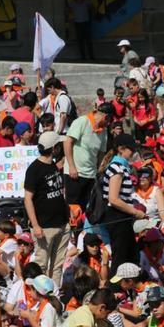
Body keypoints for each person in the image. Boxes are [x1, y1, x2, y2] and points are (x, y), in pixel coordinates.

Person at [24, 132, 70, 285]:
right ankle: (39, 296)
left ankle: (54, 296)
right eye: (59, 145)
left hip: (62, 223)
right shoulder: (34, 169)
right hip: (44, 227)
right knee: (42, 265)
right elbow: (28, 199)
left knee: (57, 266)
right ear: (54, 148)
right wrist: (36, 225)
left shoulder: (52, 165)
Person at [102, 134, 146, 273]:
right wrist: (135, 212)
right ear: (121, 149)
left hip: (122, 217)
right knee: (121, 258)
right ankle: (115, 290)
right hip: (117, 217)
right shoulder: (117, 168)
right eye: (131, 150)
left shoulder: (122, 167)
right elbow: (113, 199)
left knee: (130, 255)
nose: (134, 153)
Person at [64, 102, 113, 206]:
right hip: (75, 173)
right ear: (106, 117)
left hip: (91, 175)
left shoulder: (103, 131)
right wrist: (72, 167)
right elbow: (68, 142)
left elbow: (101, 153)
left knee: (87, 208)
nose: (109, 123)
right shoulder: (82, 121)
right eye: (110, 120)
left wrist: (99, 171)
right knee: (73, 208)